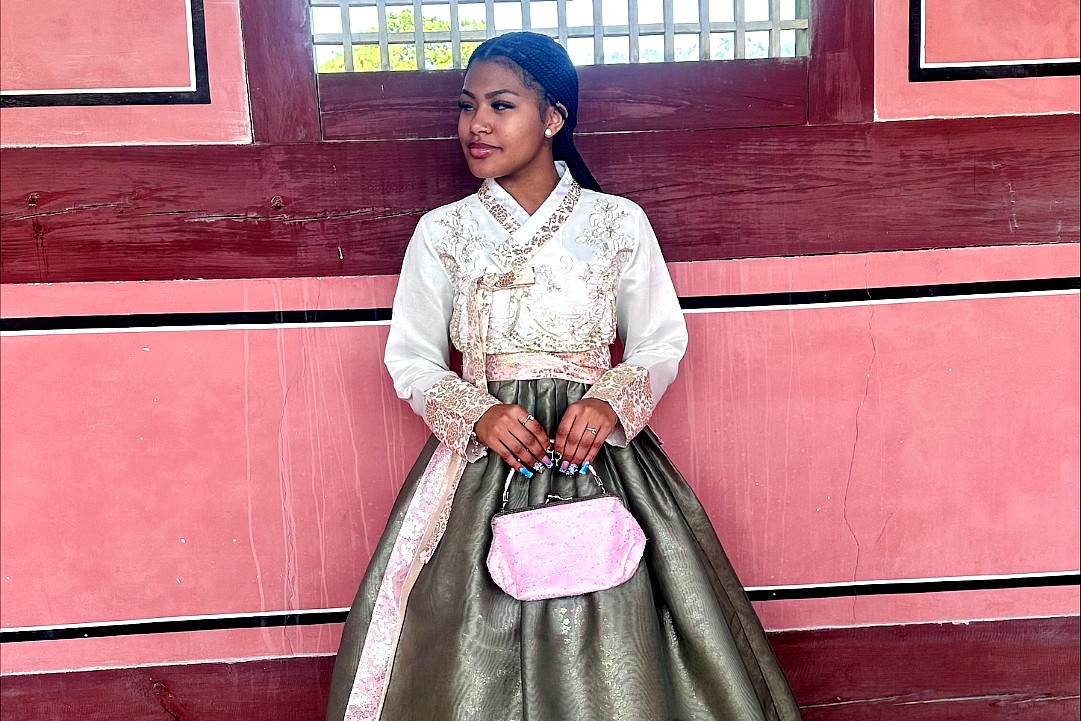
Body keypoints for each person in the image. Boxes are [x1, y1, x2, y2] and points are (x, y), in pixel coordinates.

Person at [326, 31, 802, 721]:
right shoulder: (443, 233)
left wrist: (610, 400)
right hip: (487, 455)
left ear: (552, 117)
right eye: (466, 107)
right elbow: (411, 357)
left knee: (625, 626)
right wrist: (477, 412)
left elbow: (660, 339)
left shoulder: (617, 224)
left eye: (500, 105)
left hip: (597, 453)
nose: (477, 125)